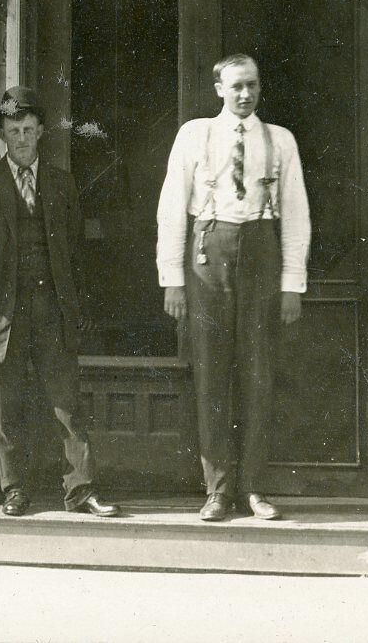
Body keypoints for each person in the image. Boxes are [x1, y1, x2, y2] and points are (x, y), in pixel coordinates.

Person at [0, 88, 120, 519]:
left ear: (42, 131)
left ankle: (81, 490)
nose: (22, 139)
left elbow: (76, 252)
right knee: (7, 409)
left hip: (52, 310)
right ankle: (14, 490)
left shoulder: (62, 184)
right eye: (13, 131)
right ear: (2, 135)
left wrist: (78, 309)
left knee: (67, 405)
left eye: (28, 129)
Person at [156, 54, 310, 522]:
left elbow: (296, 213)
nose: (246, 94)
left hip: (261, 253)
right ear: (219, 89)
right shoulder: (195, 134)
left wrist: (292, 284)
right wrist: (172, 280)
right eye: (237, 86)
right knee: (211, 373)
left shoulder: (279, 139)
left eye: (253, 85)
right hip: (209, 255)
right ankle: (217, 490)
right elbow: (171, 208)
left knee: (258, 374)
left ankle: (254, 488)